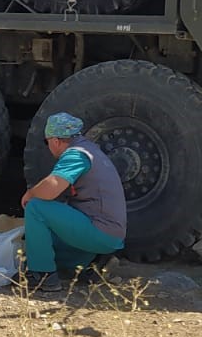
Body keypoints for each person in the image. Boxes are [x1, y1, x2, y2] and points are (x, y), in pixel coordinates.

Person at [18, 112, 126, 293]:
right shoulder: (92, 151)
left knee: (36, 208)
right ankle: (92, 264)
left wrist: (30, 193)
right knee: (46, 244)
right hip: (108, 233)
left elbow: (51, 188)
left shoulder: (76, 155)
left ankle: (42, 277)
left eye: (47, 142)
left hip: (100, 231)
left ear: (56, 141)